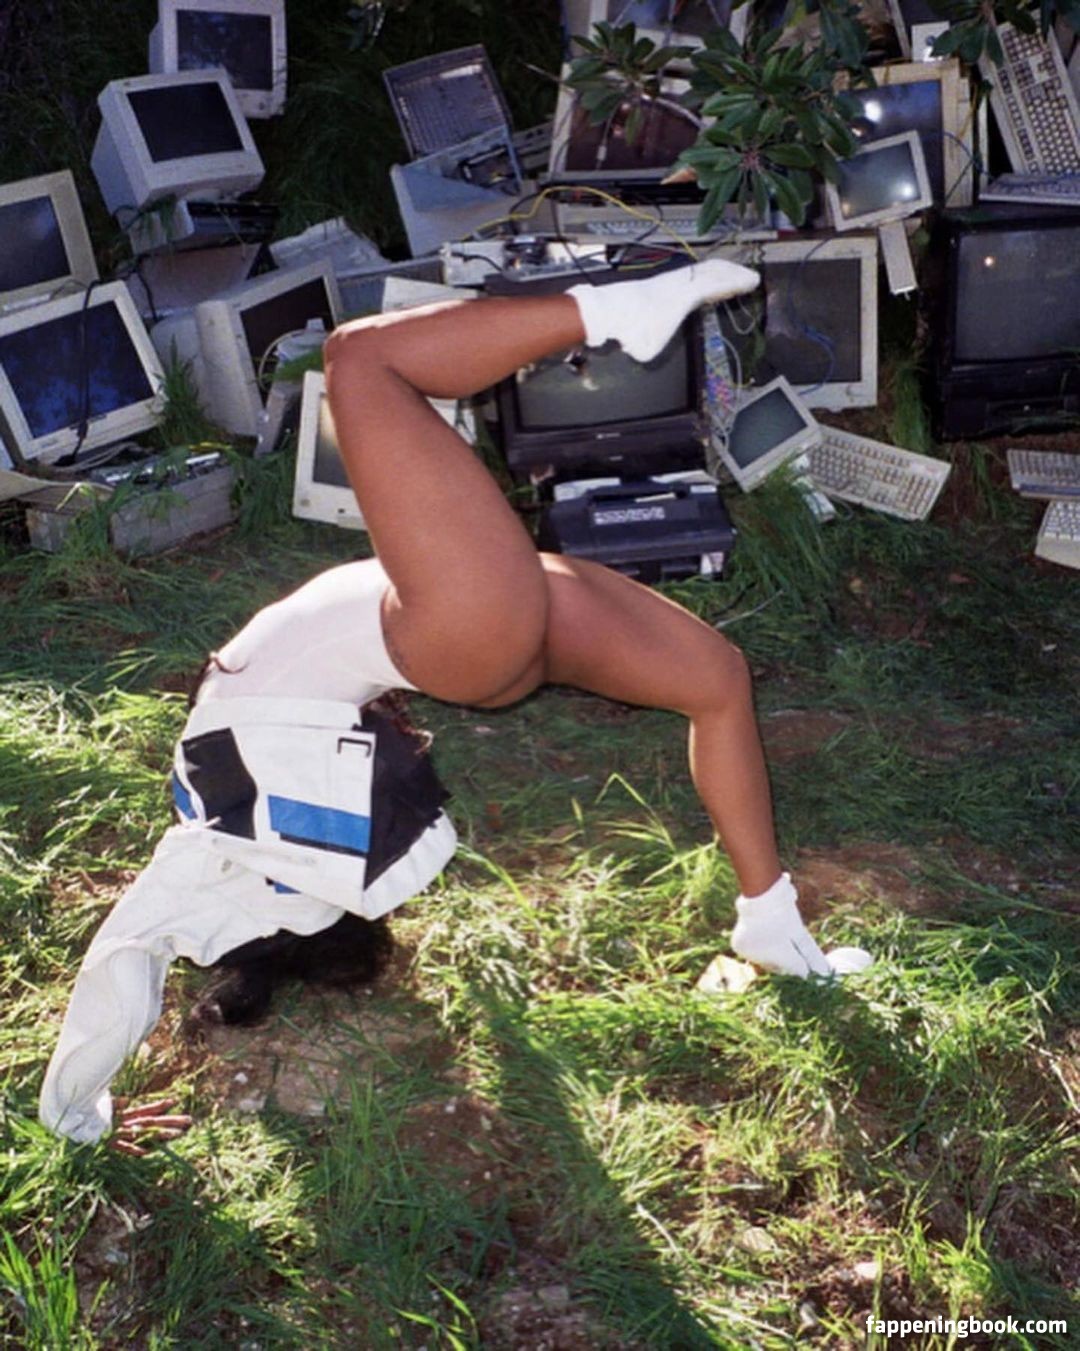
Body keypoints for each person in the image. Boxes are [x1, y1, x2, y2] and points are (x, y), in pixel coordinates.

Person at [39, 259, 870, 1151]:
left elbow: (133, 947)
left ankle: (769, 919)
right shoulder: (207, 810)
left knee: (717, 677)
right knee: (359, 361)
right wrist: (71, 1114)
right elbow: (127, 945)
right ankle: (609, 313)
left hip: (486, 620)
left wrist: (79, 1106)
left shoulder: (222, 802)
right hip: (457, 627)